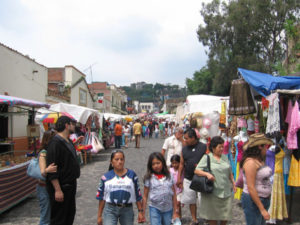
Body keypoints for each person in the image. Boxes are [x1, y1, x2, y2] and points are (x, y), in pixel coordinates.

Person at [46, 116, 81, 225]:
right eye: (72, 124)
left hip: (70, 184)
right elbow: (52, 169)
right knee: (59, 218)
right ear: (67, 125)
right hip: (62, 186)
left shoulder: (68, 140)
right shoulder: (55, 143)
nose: (74, 126)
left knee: (69, 214)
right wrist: (57, 189)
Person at [194, 136, 236, 225]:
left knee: (225, 217)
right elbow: (197, 170)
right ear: (213, 147)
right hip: (213, 193)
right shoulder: (207, 158)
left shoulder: (225, 157)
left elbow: (229, 172)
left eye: (222, 146)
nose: (222, 149)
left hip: (226, 192)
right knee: (213, 219)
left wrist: (233, 183)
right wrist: (207, 174)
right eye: (219, 147)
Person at [96, 150, 143, 225]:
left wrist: (140, 211)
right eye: (116, 159)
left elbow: (137, 194)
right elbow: (101, 198)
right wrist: (99, 216)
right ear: (111, 162)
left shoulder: (132, 175)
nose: (120, 162)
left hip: (127, 210)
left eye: (122, 159)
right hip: (110, 210)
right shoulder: (105, 177)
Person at [240, 133, 273, 225]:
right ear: (259, 147)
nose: (267, 148)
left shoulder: (260, 160)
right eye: (265, 146)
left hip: (263, 199)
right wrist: (262, 209)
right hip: (253, 201)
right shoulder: (250, 163)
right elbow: (251, 187)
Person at [177, 128, 206, 225]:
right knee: (191, 200)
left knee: (203, 199)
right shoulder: (184, 149)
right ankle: (194, 219)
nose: (185, 140)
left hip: (202, 178)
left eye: (186, 138)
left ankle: (207, 217)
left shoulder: (203, 147)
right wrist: (178, 178)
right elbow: (181, 164)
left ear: (193, 138)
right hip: (188, 178)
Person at [142, 152, 178, 225]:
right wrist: (142, 212)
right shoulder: (149, 177)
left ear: (163, 163)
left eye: (158, 163)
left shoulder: (169, 176)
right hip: (155, 208)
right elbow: (145, 196)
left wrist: (175, 212)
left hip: (168, 209)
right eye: (153, 164)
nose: (156, 166)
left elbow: (174, 195)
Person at [37, 130, 57, 225]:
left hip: (50, 187)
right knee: (45, 215)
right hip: (44, 187)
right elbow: (42, 172)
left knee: (51, 213)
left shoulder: (51, 151)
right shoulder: (43, 153)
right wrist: (47, 170)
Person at [169, 154, 183, 219]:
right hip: (172, 190)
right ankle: (175, 216)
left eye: (176, 163)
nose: (174, 165)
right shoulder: (170, 170)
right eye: (173, 163)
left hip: (180, 190)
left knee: (178, 203)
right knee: (174, 204)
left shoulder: (182, 170)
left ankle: (179, 216)